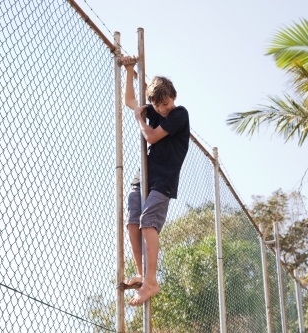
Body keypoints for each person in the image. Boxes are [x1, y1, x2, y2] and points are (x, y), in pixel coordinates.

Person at [121, 56, 190, 306]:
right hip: (145, 174)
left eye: (166, 103)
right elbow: (130, 102)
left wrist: (140, 119)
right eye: (157, 106)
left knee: (148, 223)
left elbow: (150, 137)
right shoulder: (155, 108)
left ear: (174, 97)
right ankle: (141, 274)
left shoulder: (179, 114)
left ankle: (152, 281)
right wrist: (129, 70)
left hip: (164, 179)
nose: (162, 109)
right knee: (132, 221)